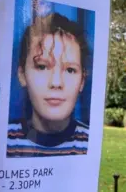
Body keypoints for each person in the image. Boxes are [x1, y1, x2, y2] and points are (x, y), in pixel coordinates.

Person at [7, 12, 90, 157]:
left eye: (70, 70)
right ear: (22, 75)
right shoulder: (2, 140)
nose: (56, 82)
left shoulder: (91, 143)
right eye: (42, 67)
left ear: (82, 81)